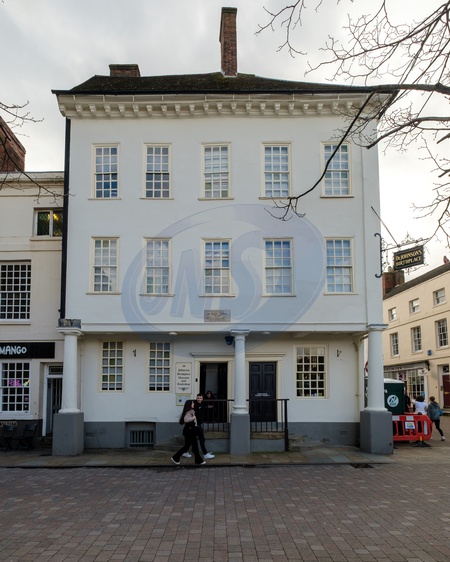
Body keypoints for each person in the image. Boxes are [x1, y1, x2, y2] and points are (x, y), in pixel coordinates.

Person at [171, 399, 206, 466]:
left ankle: (176, 457)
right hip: (190, 431)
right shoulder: (189, 412)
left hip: (190, 431)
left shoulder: (191, 411)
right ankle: (198, 460)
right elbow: (186, 419)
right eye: (192, 403)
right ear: (189, 405)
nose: (193, 404)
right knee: (193, 446)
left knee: (189, 446)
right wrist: (193, 418)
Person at [183, 393, 215, 459]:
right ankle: (205, 454)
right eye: (198, 398)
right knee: (200, 439)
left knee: (192, 440)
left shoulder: (202, 404)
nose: (199, 399)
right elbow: (190, 415)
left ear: (202, 398)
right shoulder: (193, 405)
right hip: (194, 425)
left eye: (200, 398)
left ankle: (185, 452)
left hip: (197, 425)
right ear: (196, 398)